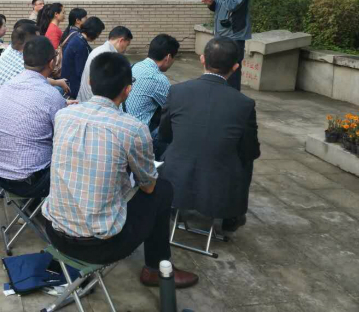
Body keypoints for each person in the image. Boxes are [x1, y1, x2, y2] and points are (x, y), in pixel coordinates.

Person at [42, 52, 199, 289]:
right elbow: (149, 186)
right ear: (127, 90)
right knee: (162, 190)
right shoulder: (133, 128)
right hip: (99, 246)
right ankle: (156, 268)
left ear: (90, 83)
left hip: (54, 233)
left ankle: (155, 268)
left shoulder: (63, 116)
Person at [159, 37, 260, 232]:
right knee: (246, 159)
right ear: (235, 67)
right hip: (219, 184)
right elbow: (250, 150)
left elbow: (164, 134)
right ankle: (232, 216)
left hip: (176, 179)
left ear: (202, 59)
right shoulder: (243, 104)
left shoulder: (177, 92)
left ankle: (175, 208)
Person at [0, 36, 69, 198]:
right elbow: (64, 138)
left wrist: (63, 105)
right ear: (51, 63)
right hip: (32, 182)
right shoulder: (51, 95)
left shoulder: (7, 86)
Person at [201, 0, 253, 91]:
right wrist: (212, 4)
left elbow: (232, 6)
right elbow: (223, 6)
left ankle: (232, 97)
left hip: (234, 34)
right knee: (219, 68)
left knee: (232, 69)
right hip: (222, 32)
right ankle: (221, 95)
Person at [125, 34, 179, 156]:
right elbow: (174, 108)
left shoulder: (133, 66)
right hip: (138, 137)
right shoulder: (158, 78)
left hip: (122, 128)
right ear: (168, 57)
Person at [0, 21, 39, 133]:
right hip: (5, 131)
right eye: (38, 41)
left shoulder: (8, 52)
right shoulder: (23, 66)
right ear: (29, 44)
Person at [77, 26, 133, 103]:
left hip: (88, 100)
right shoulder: (107, 55)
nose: (126, 49)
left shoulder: (101, 50)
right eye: (127, 45)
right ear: (121, 40)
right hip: (94, 102)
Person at [60, 17, 105, 99]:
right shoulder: (80, 45)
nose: (98, 36)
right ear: (94, 32)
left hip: (68, 82)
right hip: (73, 88)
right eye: (99, 33)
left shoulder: (78, 38)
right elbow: (81, 71)